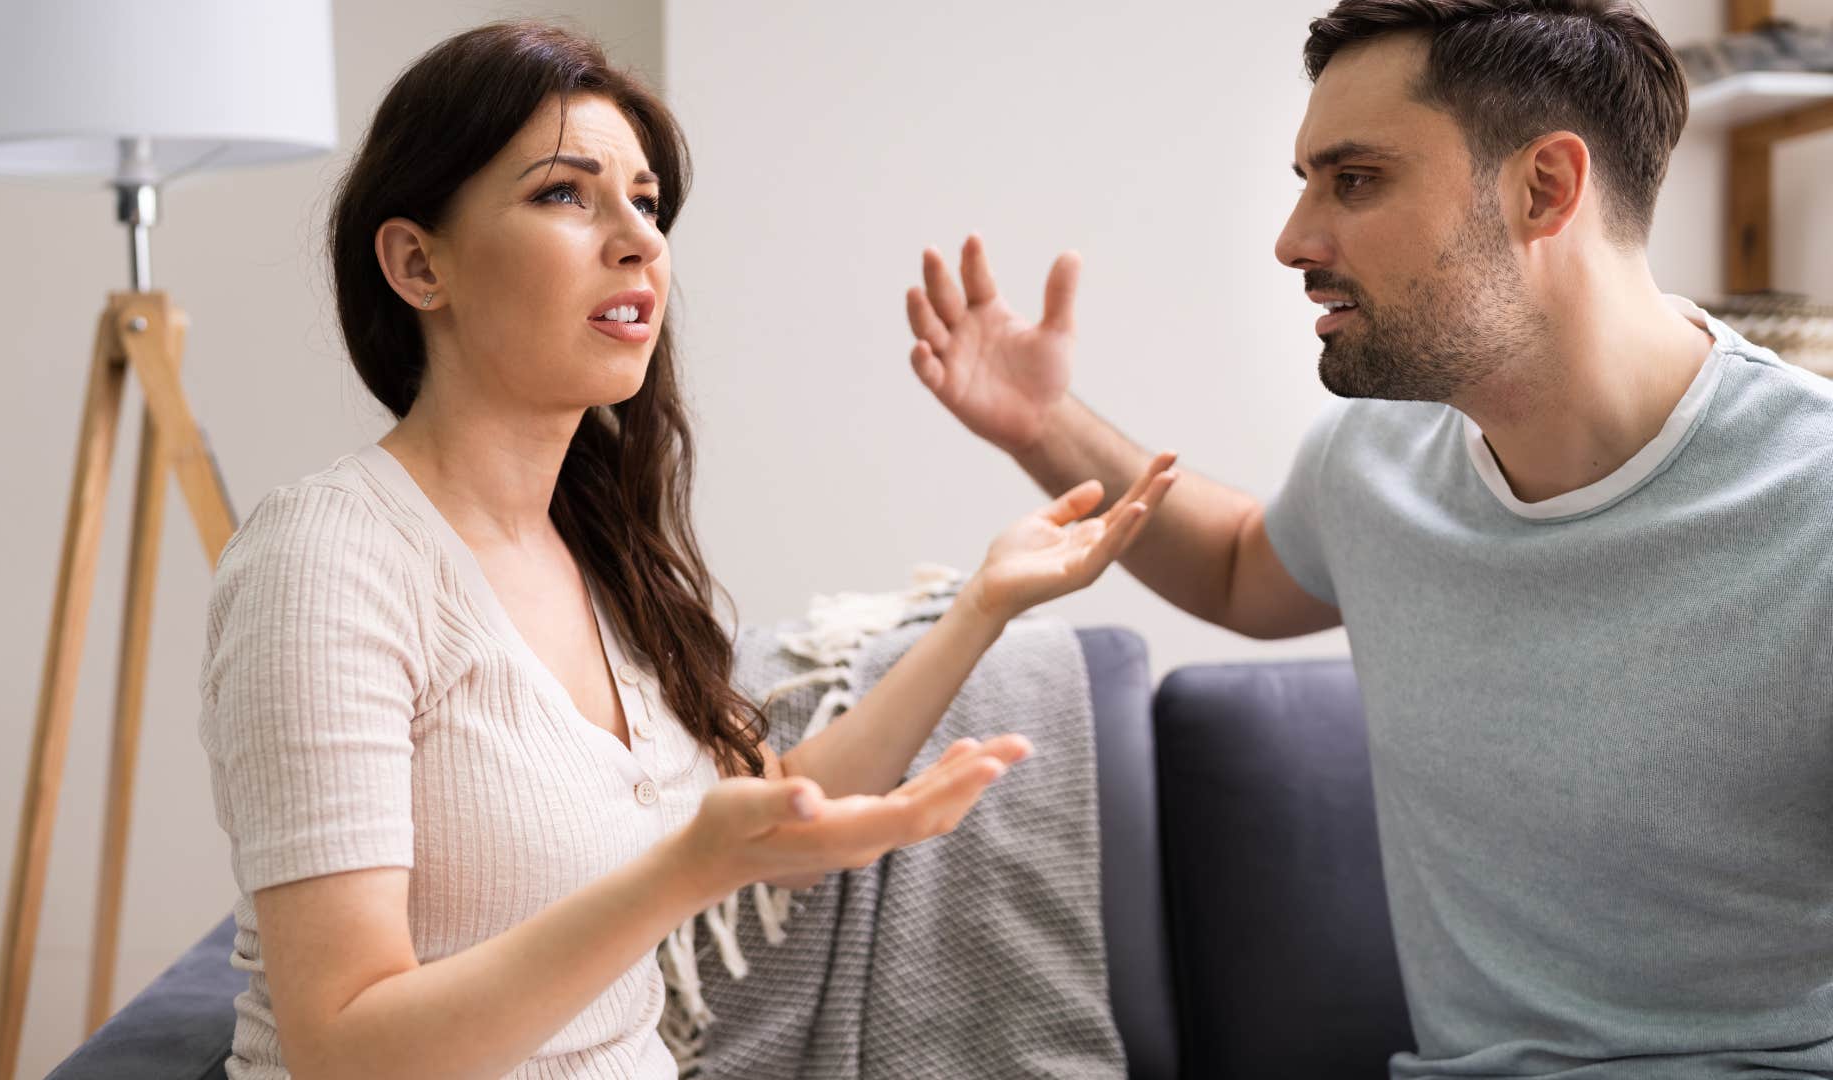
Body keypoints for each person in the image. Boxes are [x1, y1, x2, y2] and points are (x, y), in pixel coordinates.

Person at [198, 21, 1175, 1080]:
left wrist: (982, 604)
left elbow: (780, 801)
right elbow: (345, 1045)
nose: (640, 240)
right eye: (564, 193)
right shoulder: (327, 561)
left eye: (648, 204)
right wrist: (677, 875)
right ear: (416, 262)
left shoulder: (600, 552)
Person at [903, 1, 1833, 1076]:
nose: (1294, 239)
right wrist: (1041, 423)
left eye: (1354, 180)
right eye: (1307, 181)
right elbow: (1242, 568)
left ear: (1545, 188)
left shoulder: (1811, 509)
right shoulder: (1379, 459)